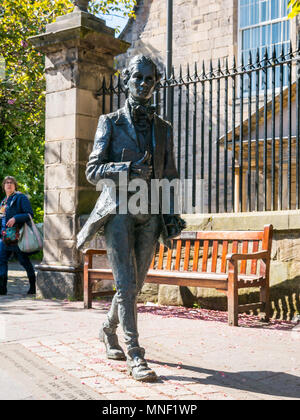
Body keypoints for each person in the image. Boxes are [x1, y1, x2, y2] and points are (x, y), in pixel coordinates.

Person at [77, 55, 185, 382]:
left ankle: (107, 330)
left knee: (134, 287)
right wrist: (123, 169)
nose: (143, 84)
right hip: (119, 212)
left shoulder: (163, 129)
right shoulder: (110, 122)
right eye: (138, 78)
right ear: (126, 81)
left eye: (150, 79)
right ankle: (135, 354)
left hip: (150, 213)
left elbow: (170, 176)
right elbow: (93, 171)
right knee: (124, 285)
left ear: (155, 84)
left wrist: (172, 216)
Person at [0, 176, 36, 295]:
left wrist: (16, 218)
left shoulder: (21, 198)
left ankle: (33, 287)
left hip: (18, 237)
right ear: (4, 186)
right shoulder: (3, 201)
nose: (9, 184)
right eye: (6, 183)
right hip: (5, 238)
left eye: (11, 183)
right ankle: (2, 288)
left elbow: (29, 214)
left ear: (15, 186)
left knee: (24, 261)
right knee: (1, 261)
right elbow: (2, 219)